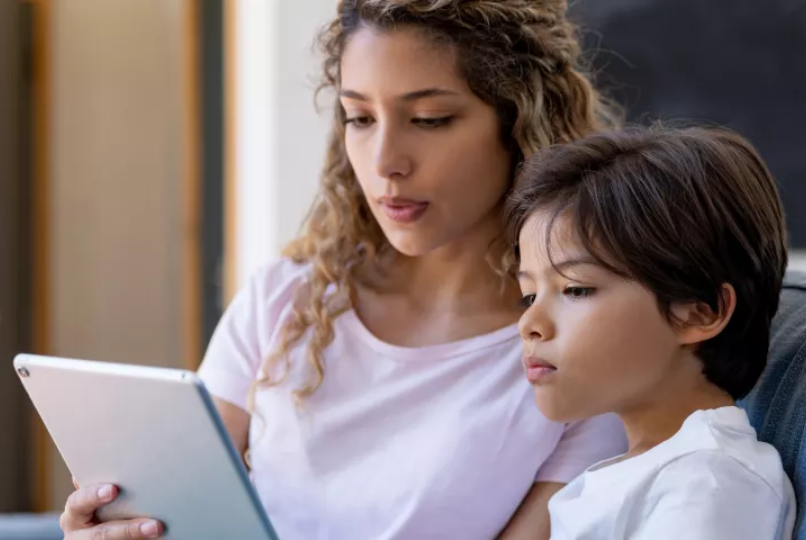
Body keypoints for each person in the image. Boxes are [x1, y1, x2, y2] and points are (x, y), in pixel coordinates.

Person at [60, 1, 628, 538]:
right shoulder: (285, 297)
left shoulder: (580, 347)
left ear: (519, 124)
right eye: (359, 117)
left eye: (429, 119)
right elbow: (177, 505)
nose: (385, 162)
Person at [506, 125, 797, 539]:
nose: (529, 324)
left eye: (576, 289)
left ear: (700, 313)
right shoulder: (647, 469)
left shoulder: (709, 481)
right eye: (528, 296)